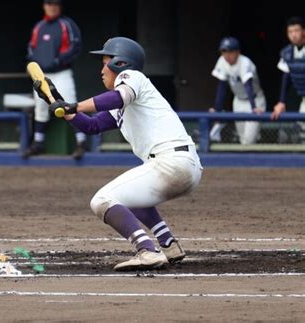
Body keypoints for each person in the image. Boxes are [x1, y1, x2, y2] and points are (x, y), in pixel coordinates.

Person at [34, 37, 203, 271]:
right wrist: (60, 105)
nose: (101, 70)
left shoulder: (133, 77)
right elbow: (91, 126)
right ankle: (168, 245)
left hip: (170, 162)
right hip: (184, 166)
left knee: (102, 201)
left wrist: (75, 105)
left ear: (120, 63)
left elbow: (117, 97)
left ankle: (146, 250)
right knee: (130, 197)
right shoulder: (125, 99)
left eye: (105, 62)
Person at [24, 0, 87, 159]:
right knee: (41, 107)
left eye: (55, 4)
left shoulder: (66, 24)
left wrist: (59, 61)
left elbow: (75, 46)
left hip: (62, 73)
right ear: (44, 6)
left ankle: (81, 142)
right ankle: (38, 144)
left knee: (69, 105)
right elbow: (31, 48)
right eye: (49, 3)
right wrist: (36, 64)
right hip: (42, 75)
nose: (52, 7)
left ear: (60, 6)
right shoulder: (39, 26)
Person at [210, 37, 266, 144]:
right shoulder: (222, 61)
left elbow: (248, 85)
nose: (227, 55)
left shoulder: (245, 62)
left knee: (248, 140)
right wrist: (217, 108)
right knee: (242, 138)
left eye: (230, 51)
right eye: (224, 51)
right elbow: (221, 87)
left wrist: (254, 107)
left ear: (238, 52)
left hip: (255, 99)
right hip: (238, 101)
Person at [271, 17, 305, 142]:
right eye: (290, 32)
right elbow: (285, 77)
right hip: (303, 96)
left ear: (304, 31)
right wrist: (281, 102)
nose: (294, 35)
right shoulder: (287, 52)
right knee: (301, 130)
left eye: (296, 30)